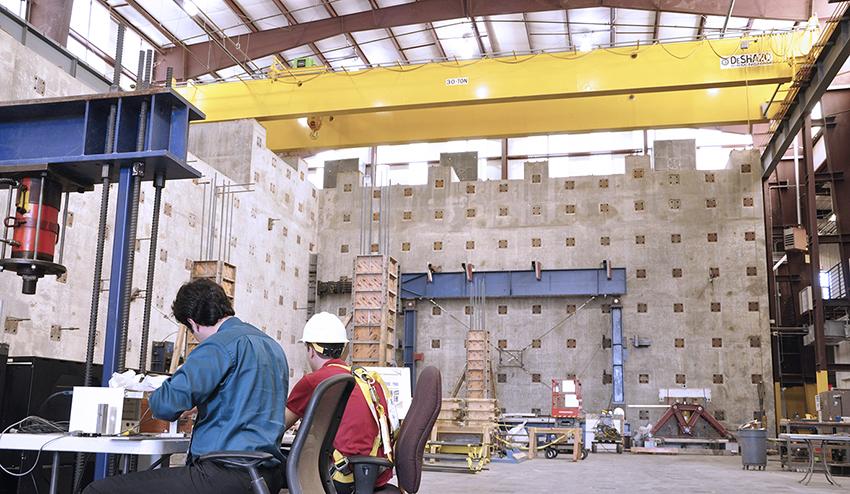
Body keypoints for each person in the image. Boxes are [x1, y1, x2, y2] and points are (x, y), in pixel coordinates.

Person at [84, 278, 289, 493]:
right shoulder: (272, 346)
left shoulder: (218, 345)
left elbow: (166, 404)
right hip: (266, 476)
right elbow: (245, 399)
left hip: (225, 475)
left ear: (193, 323)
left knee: (97, 490)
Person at [284, 312, 393, 493]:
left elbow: (279, 425)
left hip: (342, 477)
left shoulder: (315, 381)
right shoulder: (365, 378)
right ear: (344, 349)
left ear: (311, 349)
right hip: (375, 474)